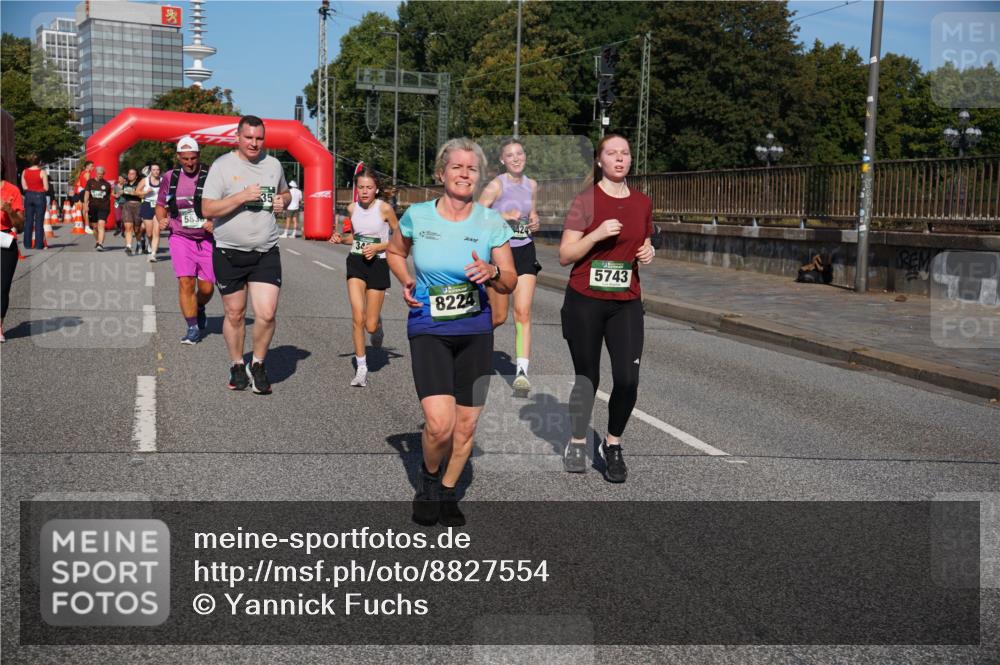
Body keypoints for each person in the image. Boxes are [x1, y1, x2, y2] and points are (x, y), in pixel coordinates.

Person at [386, 137, 515, 527]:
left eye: (471, 168)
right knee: (439, 424)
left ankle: (447, 490)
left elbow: (509, 279)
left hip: (475, 329)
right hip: (429, 325)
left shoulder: (491, 222)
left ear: (479, 177)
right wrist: (407, 280)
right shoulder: (418, 215)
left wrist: (493, 272)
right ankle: (428, 480)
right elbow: (394, 250)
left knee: (466, 425)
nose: (464, 173)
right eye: (456, 167)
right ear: (441, 174)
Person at [558, 134, 654, 483]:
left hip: (626, 302)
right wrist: (595, 234)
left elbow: (642, 242)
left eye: (625, 153)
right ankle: (578, 441)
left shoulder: (643, 203)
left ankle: (612, 445)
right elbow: (565, 254)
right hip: (585, 300)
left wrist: (648, 251)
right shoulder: (586, 200)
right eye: (611, 153)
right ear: (599, 161)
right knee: (588, 379)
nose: (619, 159)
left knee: (628, 380)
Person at [201, 115, 289, 394]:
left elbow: (285, 194)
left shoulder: (273, 165)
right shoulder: (222, 166)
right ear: (237, 137)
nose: (254, 143)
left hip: (265, 251)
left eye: (259, 138)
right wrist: (241, 197)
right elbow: (207, 210)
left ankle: (259, 364)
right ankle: (238, 364)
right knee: (235, 314)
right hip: (229, 252)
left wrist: (281, 201)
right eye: (249, 137)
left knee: (266, 313)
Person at [478, 138, 541, 394]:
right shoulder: (496, 186)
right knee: (498, 316)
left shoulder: (532, 185)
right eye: (510, 155)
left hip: (525, 251)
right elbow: (477, 214)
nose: (516, 158)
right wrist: (503, 216)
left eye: (520, 153)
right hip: (500, 254)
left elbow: (531, 214)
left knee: (523, 312)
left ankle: (522, 373)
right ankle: (471, 344)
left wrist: (535, 220)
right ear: (503, 160)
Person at [329, 168, 398, 387]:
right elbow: (355, 237)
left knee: (369, 324)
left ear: (376, 189)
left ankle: (378, 325)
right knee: (357, 316)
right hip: (356, 263)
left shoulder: (385, 209)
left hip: (378, 264)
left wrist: (379, 246)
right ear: (356, 189)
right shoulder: (352, 208)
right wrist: (341, 239)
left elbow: (401, 240)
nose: (365, 191)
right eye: (361, 187)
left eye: (369, 187)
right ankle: (361, 369)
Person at [156, 136, 215, 345]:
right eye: (185, 159)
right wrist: (161, 220)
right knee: (186, 281)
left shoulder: (211, 176)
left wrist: (214, 221)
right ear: (178, 157)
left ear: (199, 156)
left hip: (206, 238)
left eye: (193, 158)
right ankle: (192, 327)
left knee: (207, 288)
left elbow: (223, 204)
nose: (189, 163)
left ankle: (199, 306)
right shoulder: (170, 177)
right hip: (180, 236)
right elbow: (161, 204)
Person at [1, 178, 25, 342]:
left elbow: (21, 225)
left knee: (2, 286)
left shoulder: (12, 190)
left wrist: (9, 210)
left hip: (4, 241)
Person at [20, 155, 48, 251]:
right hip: (39, 196)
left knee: (28, 221)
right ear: (39, 162)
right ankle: (38, 245)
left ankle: (27, 244)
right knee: (39, 222)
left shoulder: (25, 171)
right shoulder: (42, 172)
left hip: (28, 196)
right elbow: (46, 188)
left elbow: (24, 187)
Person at [83, 166, 112, 251]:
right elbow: (87, 194)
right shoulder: (90, 182)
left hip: (103, 207)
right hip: (92, 207)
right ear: (96, 173)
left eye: (101, 174)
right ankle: (98, 240)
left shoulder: (107, 184)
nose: (100, 175)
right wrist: (85, 205)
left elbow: (109, 196)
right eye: (98, 174)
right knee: (94, 227)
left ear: (104, 174)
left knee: (101, 225)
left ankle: (100, 244)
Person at [136, 163, 162, 261]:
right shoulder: (145, 180)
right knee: (150, 233)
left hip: (159, 206)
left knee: (157, 232)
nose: (156, 171)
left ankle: (153, 254)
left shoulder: (163, 180)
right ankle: (149, 243)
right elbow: (137, 192)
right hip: (147, 205)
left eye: (158, 170)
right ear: (150, 171)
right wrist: (146, 192)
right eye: (154, 170)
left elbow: (168, 193)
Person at [120, 169, 143, 254]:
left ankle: (139, 243)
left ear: (136, 176)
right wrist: (120, 192)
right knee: (128, 227)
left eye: (132, 174)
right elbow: (120, 194)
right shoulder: (125, 185)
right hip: (127, 206)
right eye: (129, 173)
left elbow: (142, 195)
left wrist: (135, 193)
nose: (130, 175)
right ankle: (128, 246)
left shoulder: (140, 184)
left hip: (138, 206)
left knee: (137, 229)